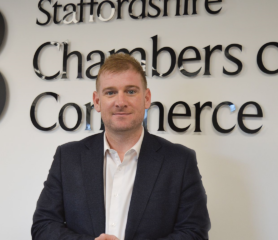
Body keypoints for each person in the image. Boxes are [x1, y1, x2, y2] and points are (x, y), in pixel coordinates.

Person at [32, 53, 211, 240]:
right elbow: (43, 226)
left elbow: (194, 233)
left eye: (131, 91)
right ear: (97, 101)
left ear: (147, 98)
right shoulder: (67, 157)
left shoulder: (180, 161)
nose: (120, 102)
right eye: (110, 92)